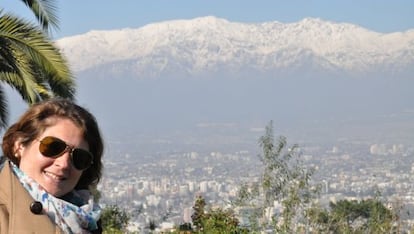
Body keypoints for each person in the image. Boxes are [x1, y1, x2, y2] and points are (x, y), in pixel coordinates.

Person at [0, 98, 104, 233]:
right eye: (53, 147)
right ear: (19, 146)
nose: (64, 164)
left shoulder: (88, 219)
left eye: (79, 157)